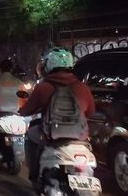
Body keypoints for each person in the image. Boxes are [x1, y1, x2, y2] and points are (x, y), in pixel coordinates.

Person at [19, 47, 95, 184]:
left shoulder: (44, 87)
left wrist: (22, 111)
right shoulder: (82, 87)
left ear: (48, 65)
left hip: (53, 134)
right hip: (80, 136)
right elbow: (90, 112)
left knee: (30, 134)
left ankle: (34, 175)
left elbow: (26, 111)